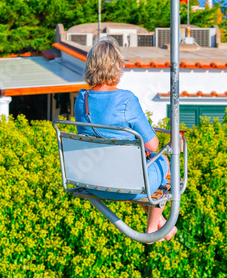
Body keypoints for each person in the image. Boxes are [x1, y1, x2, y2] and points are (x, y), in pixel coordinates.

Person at [74, 37, 177, 242]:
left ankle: (160, 222)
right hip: (128, 184)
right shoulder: (125, 100)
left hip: (93, 181)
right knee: (164, 161)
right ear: (115, 67)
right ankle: (151, 229)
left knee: (147, 167)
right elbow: (153, 144)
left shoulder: (81, 99)